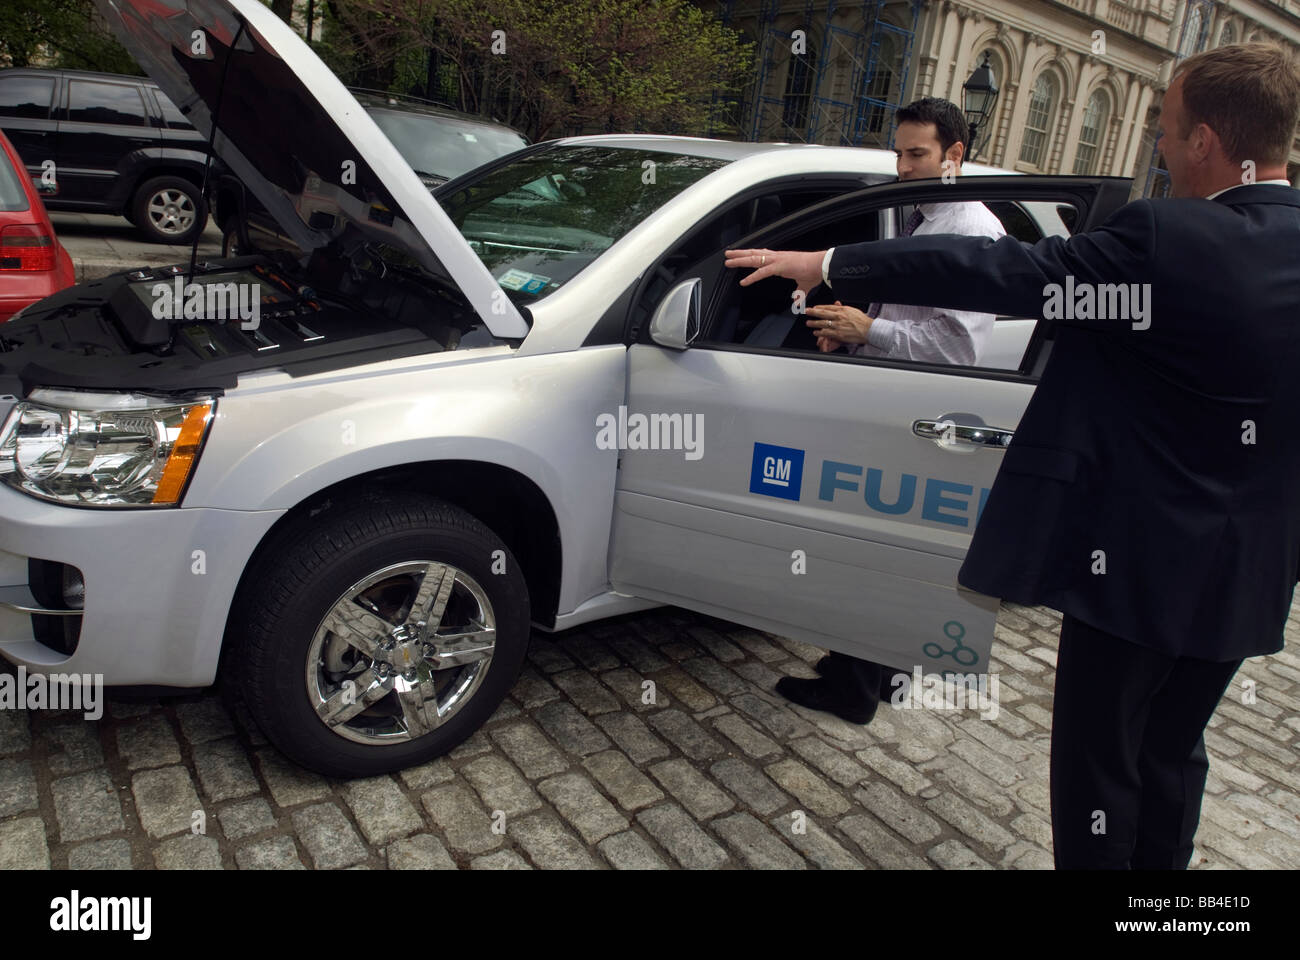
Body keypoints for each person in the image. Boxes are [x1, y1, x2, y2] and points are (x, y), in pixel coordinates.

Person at [724, 42, 1300, 870]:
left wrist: (832, 261)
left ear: (1206, 139)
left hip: (1135, 567)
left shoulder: (1170, 238)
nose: (1162, 152)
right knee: (1172, 756)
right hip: (1250, 566)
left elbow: (1005, 272)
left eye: (1168, 134)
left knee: (1101, 769)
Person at [771, 97, 1005, 726]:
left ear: (954, 155)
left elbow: (955, 349)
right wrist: (851, 330)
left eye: (917, 154)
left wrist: (868, 330)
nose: (902, 166)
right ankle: (885, 670)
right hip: (894, 402)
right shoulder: (924, 218)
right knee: (890, 552)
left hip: (919, 413)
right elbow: (910, 319)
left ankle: (853, 686)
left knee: (870, 551)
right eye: (899, 153)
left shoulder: (971, 233)